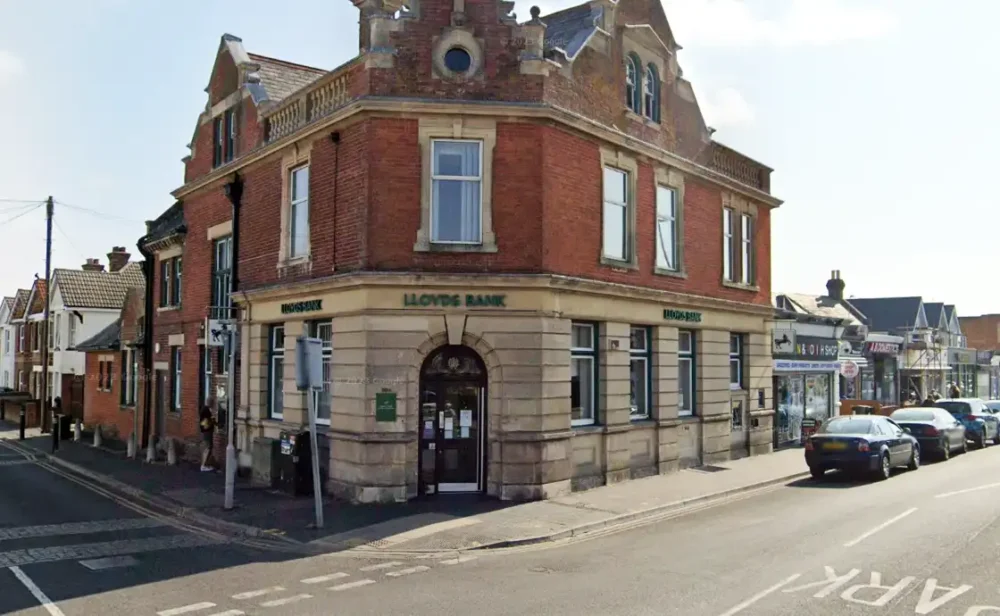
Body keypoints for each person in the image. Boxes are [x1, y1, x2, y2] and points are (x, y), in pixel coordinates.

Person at [199, 404, 216, 472]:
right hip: (207, 432)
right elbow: (206, 423)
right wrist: (213, 420)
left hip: (206, 432)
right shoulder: (206, 410)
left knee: (207, 448)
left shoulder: (204, 409)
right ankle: (203, 465)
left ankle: (204, 464)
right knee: (208, 448)